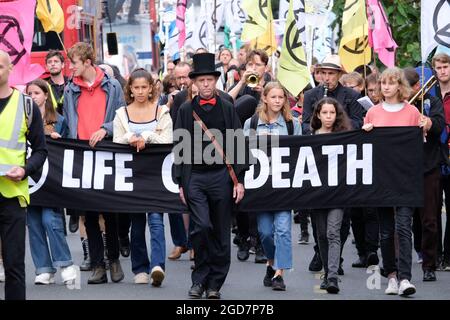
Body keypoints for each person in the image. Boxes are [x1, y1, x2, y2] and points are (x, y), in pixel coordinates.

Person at [174, 53, 246, 299]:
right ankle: (199, 279)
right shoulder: (185, 110)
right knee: (201, 226)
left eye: (209, 80)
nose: (205, 85)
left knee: (221, 232)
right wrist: (181, 182)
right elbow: (179, 147)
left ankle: (215, 283)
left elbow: (238, 143)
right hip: (195, 176)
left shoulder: (227, 107)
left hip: (221, 177)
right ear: (194, 82)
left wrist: (239, 180)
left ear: (215, 81)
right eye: (201, 80)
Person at [63, 42, 126, 284]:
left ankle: (114, 260)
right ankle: (98, 265)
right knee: (88, 213)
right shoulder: (70, 89)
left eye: (75, 62)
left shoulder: (112, 85)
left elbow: (121, 116)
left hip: (106, 152)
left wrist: (105, 129)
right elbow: (69, 121)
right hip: (81, 155)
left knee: (109, 211)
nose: (71, 67)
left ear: (88, 62)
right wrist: (60, 134)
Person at [362, 67, 426, 296]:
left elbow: (422, 138)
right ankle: (390, 275)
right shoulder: (373, 113)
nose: (386, 87)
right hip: (381, 178)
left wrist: (425, 125)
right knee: (387, 231)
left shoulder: (411, 112)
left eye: (391, 82)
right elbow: (364, 147)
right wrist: (365, 132)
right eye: (383, 83)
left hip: (405, 178)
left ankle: (405, 278)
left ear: (400, 86)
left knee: (403, 228)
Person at [114, 68, 172, 286]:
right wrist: (131, 138)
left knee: (156, 220)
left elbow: (168, 138)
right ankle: (140, 268)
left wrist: (145, 137)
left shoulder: (161, 112)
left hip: (156, 175)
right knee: (136, 223)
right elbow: (117, 138)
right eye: (135, 87)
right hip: (132, 175)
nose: (139, 91)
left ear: (151, 89)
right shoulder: (121, 113)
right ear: (130, 89)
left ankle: (157, 266)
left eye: (144, 87)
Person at [243, 82, 301, 291]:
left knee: (283, 229)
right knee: (266, 232)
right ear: (265, 99)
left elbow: (300, 153)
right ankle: (270, 262)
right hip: (261, 186)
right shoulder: (252, 123)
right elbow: (243, 151)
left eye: (281, 98)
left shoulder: (292, 124)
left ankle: (279, 274)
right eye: (273, 97)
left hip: (283, 184)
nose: (277, 101)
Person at [0, 50, 48, 300]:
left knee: (14, 266)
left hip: (12, 196)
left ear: (10, 70)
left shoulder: (26, 105)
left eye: (0, 66)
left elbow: (41, 151)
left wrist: (25, 169)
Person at [25, 79, 78, 286]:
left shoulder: (59, 120)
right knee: (34, 223)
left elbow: (70, 148)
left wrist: (58, 138)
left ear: (46, 95)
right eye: (29, 93)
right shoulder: (21, 119)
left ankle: (65, 264)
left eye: (36, 92)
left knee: (51, 220)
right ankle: (44, 269)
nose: (32, 96)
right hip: (29, 180)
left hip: (52, 181)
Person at [404, 67, 445, 282]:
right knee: (404, 220)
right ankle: (399, 267)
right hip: (402, 169)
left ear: (417, 87)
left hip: (428, 166)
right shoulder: (397, 104)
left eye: (407, 87)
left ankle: (430, 264)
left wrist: (429, 122)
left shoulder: (432, 101)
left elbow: (439, 125)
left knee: (429, 219)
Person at [309, 97, 352, 294]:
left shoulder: (345, 136)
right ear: (318, 114)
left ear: (337, 115)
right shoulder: (311, 135)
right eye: (324, 113)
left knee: (333, 232)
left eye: (332, 113)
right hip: (317, 194)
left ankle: (333, 276)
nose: (328, 116)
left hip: (338, 193)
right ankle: (327, 273)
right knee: (322, 235)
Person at [433, 53, 450, 270]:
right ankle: (434, 254)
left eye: (445, 66)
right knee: (432, 209)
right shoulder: (429, 93)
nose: (442, 71)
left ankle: (448, 255)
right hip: (434, 155)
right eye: (438, 67)